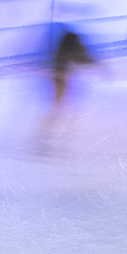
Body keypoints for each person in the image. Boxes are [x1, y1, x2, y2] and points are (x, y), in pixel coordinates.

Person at [32, 24, 96, 156]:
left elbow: (81, 59)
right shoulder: (68, 49)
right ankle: (42, 138)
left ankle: (44, 138)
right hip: (60, 80)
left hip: (61, 79)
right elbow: (82, 59)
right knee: (57, 111)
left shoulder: (63, 48)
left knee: (61, 110)